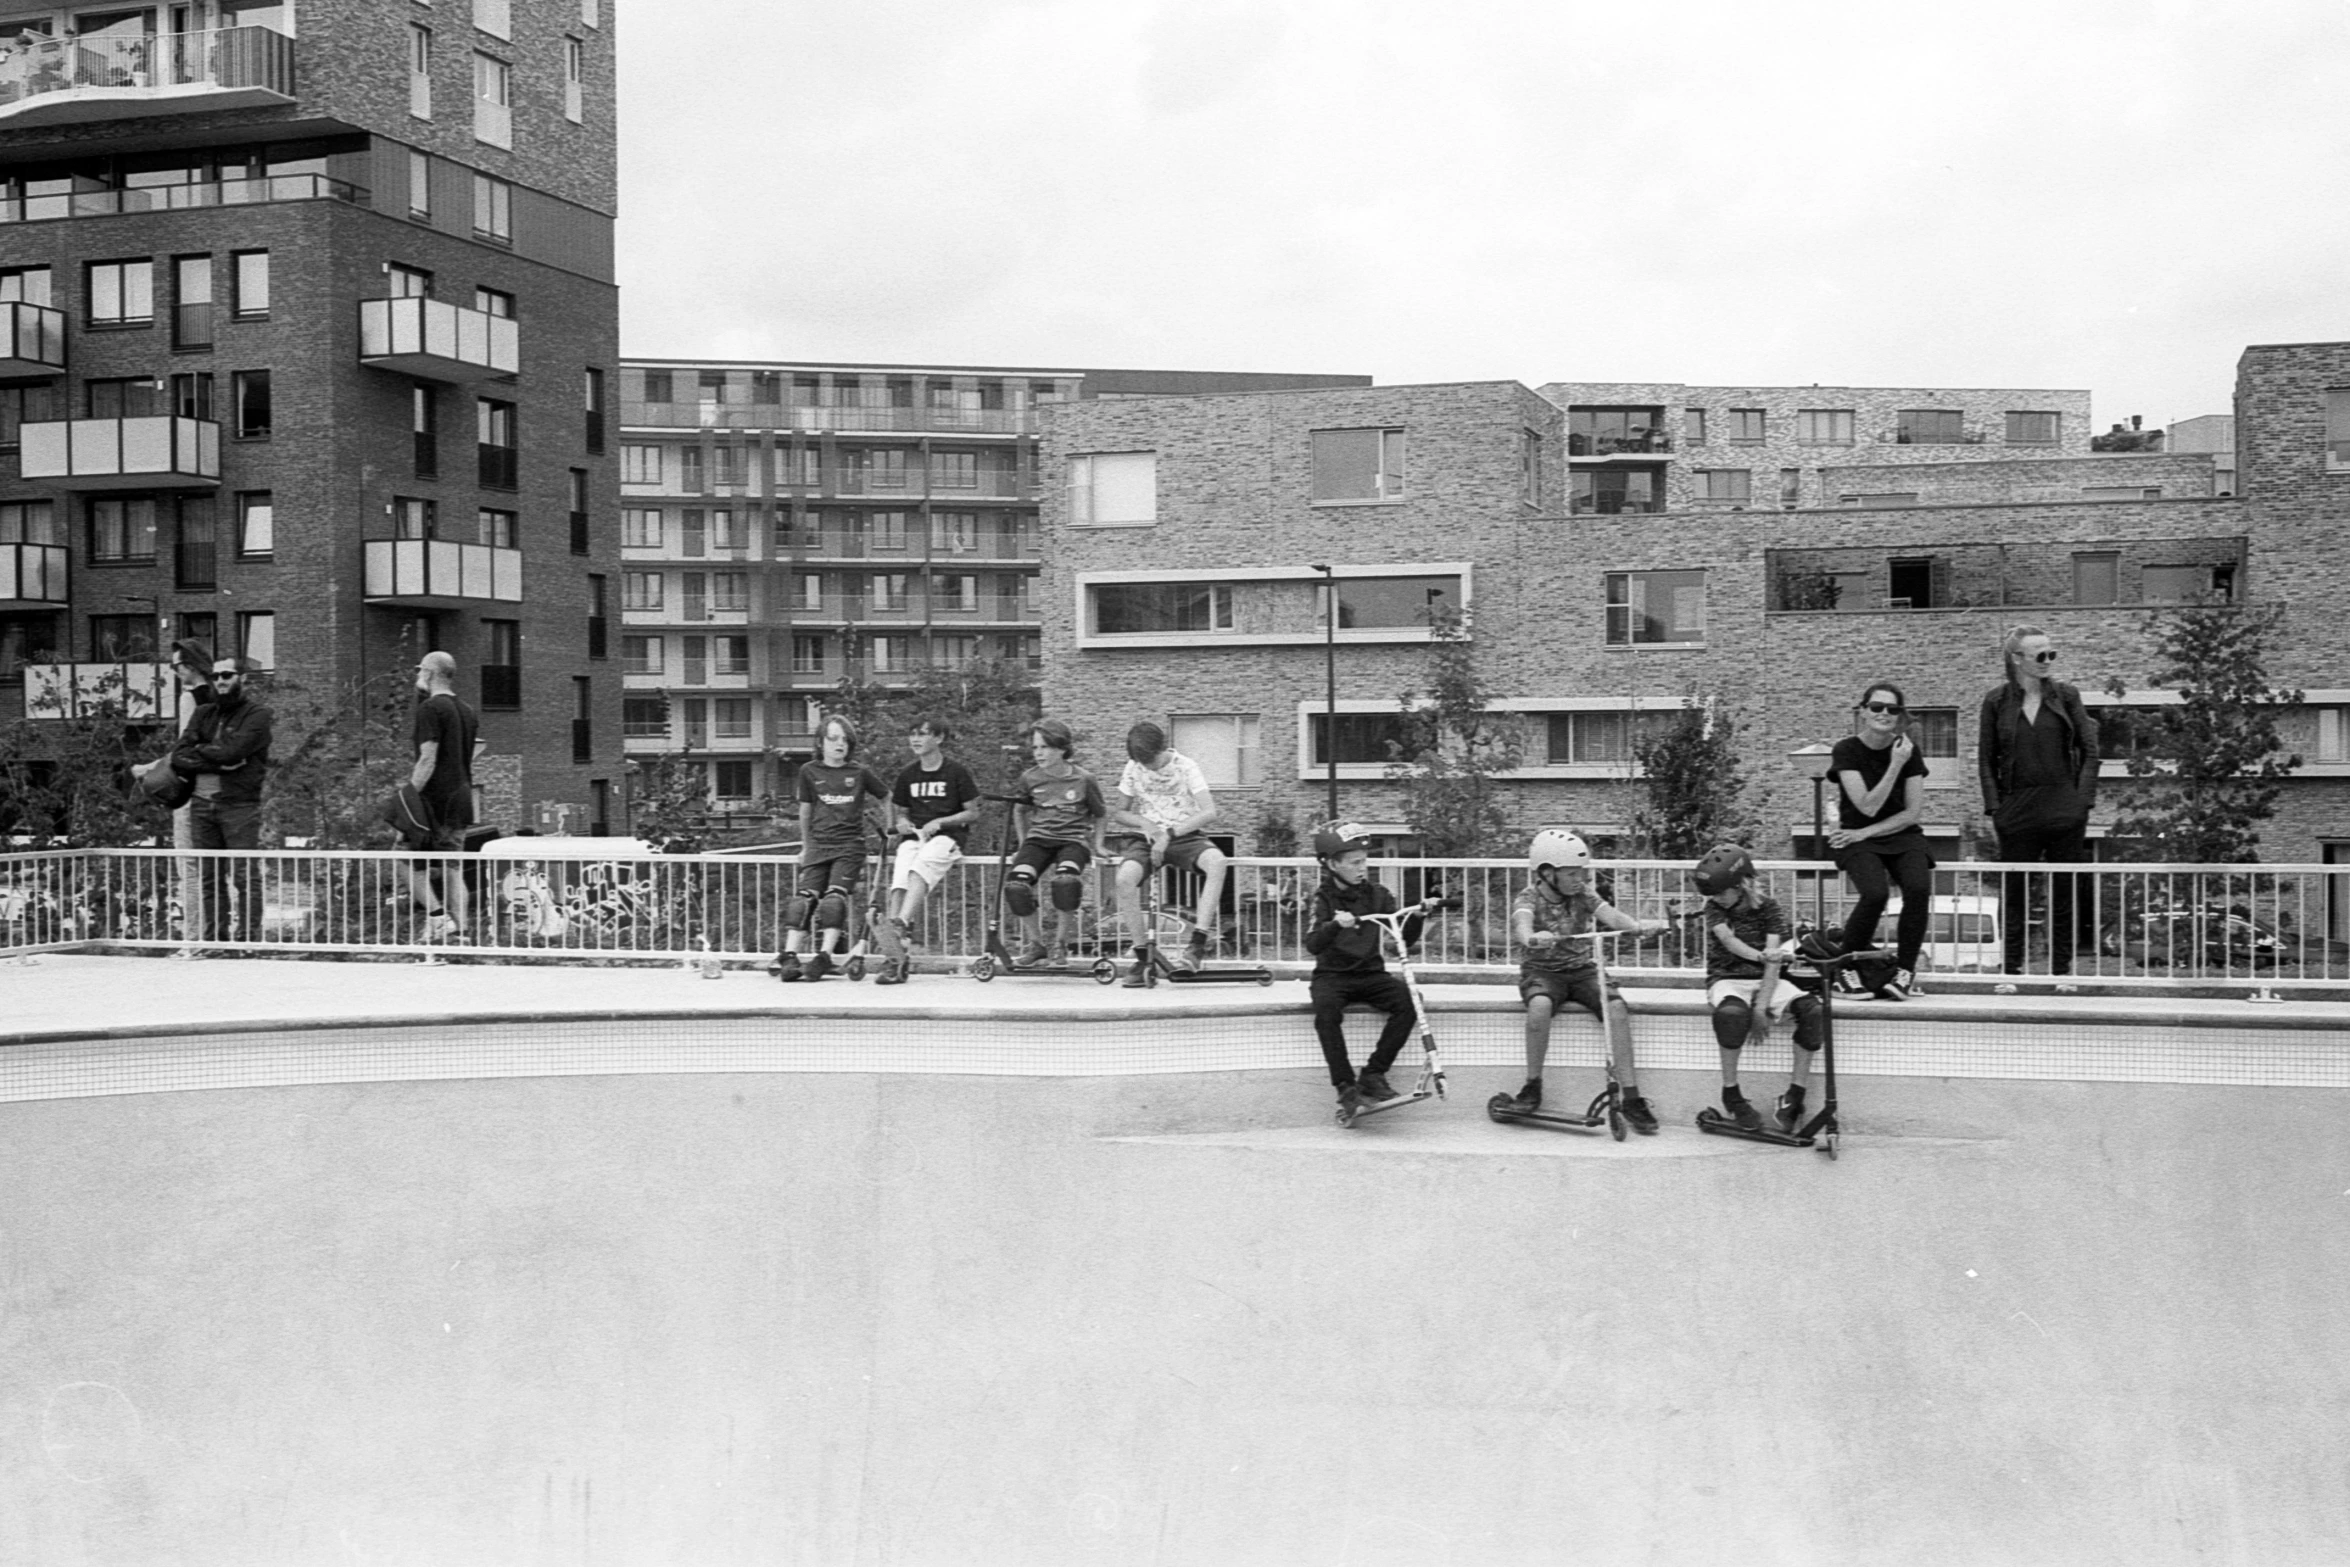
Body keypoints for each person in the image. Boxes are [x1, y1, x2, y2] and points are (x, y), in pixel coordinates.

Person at [1501, 828, 1667, 1134]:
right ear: (1548, 873)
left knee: (1617, 1009)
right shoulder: (1528, 897)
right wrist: (1533, 938)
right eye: (1573, 873)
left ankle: (1631, 1097)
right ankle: (1532, 1086)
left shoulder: (1582, 894)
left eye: (1582, 873)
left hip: (1582, 969)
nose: (1581, 880)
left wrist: (1638, 928)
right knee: (1538, 1007)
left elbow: (1612, 916)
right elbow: (1521, 925)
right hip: (1542, 971)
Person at [1978, 625, 2100, 982]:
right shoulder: (1995, 701)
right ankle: (2011, 971)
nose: (2048, 661)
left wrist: (2081, 802)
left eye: (2052, 654)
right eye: (2040, 655)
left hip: (2064, 806)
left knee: (2065, 893)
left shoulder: (2067, 696)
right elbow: (1986, 759)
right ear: (2017, 659)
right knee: (2014, 895)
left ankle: (2062, 972)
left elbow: (2091, 752)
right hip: (2017, 810)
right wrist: (1996, 809)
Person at [1306, 822, 1447, 1119]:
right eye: (1355, 862)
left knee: (1410, 1001)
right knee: (1326, 1013)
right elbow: (1313, 944)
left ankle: (1373, 1074)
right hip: (1332, 975)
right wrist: (1333, 925)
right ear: (1332, 864)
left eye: (1364, 861)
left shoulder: (1378, 895)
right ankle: (1345, 1086)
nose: (1362, 868)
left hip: (1371, 973)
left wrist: (1418, 917)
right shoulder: (1322, 899)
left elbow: (1401, 942)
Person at [1692, 843, 1825, 1134]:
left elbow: (1774, 963)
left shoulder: (1770, 908)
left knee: (1813, 1012)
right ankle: (1732, 1094)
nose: (1715, 898)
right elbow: (1729, 942)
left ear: (1740, 884)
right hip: (1726, 979)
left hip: (1769, 978)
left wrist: (1761, 1007)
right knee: (1731, 1016)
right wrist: (1760, 955)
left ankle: (1794, 1098)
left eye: (1720, 891)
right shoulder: (1714, 908)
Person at [1827, 681, 1934, 1000]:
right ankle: (1843, 970)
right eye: (1877, 707)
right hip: (1855, 838)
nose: (1884, 714)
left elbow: (1912, 813)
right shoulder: (1846, 750)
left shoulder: (1908, 751)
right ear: (1863, 712)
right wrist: (1895, 765)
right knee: (1874, 894)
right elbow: (1868, 805)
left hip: (1897, 835)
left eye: (1893, 709)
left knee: (1918, 889)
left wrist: (1866, 832)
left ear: (1899, 716)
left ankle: (1904, 972)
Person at [1106, 720, 1228, 984]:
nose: (1147, 766)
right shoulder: (1133, 767)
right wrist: (1146, 824)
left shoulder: (1186, 766)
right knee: (1124, 879)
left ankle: (1197, 945)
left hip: (1183, 834)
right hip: (1147, 836)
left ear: (1161, 748)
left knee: (1217, 863)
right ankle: (1141, 957)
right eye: (1141, 762)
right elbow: (1119, 812)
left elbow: (1209, 811)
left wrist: (1169, 834)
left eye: (1150, 760)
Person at [169, 654, 272, 951]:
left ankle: (249, 942)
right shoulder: (203, 713)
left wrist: (203, 753)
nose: (221, 681)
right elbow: (179, 754)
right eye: (216, 676)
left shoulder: (257, 715)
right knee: (209, 877)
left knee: (244, 875)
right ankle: (215, 940)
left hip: (239, 804)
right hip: (201, 804)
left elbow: (235, 752)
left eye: (227, 675)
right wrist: (217, 757)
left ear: (243, 678)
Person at [776, 713, 889, 982]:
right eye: (833, 738)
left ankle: (824, 956)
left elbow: (886, 796)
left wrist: (892, 829)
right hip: (818, 845)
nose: (840, 744)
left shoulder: (859, 773)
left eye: (845, 740)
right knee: (802, 900)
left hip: (849, 846)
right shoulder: (809, 771)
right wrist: (806, 846)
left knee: (833, 899)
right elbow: (805, 811)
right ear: (821, 742)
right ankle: (789, 956)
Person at [876, 715, 981, 985]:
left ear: (939, 738)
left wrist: (941, 821)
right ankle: (895, 948)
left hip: (948, 838)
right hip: (916, 836)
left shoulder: (956, 772)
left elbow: (972, 812)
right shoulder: (908, 774)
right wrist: (903, 824)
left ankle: (900, 922)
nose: (916, 739)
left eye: (923, 733)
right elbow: (901, 814)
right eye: (913, 733)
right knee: (903, 864)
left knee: (927, 857)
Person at [1003, 718, 1106, 966]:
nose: (1039, 753)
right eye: (1036, 747)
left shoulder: (1084, 779)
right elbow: (1019, 810)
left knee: (1065, 882)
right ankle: (1036, 945)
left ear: (1061, 748)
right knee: (1016, 886)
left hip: (1072, 840)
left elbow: (1100, 813)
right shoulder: (1030, 778)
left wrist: (1099, 845)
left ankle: (1060, 944)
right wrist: (1022, 842)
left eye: (1045, 747)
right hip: (1039, 840)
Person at [409, 650, 480, 941]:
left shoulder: (430, 709)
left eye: (419, 671)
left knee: (404, 861)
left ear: (429, 673)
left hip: (434, 799)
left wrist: (407, 798)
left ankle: (438, 919)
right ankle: (462, 933)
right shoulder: (467, 711)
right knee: (453, 867)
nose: (417, 676)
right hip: (462, 797)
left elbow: (428, 759)